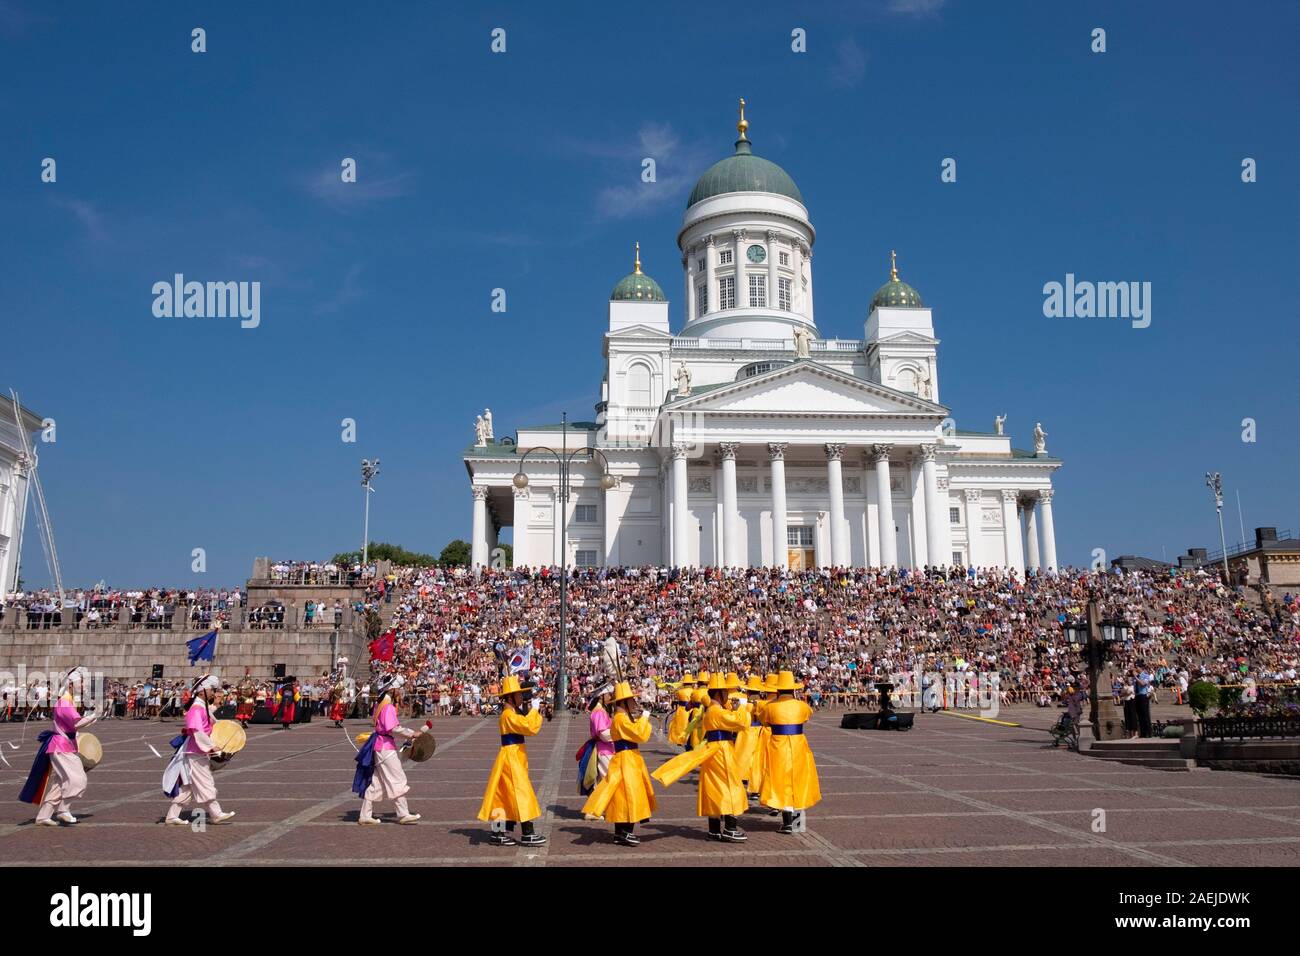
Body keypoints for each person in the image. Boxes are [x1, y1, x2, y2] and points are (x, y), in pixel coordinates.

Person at [652, 672, 751, 843]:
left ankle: (714, 829)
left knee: (714, 788)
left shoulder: (712, 711)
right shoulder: (717, 712)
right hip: (722, 751)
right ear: (719, 694)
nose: (728, 696)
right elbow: (742, 723)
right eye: (725, 693)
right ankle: (730, 828)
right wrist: (740, 708)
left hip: (713, 750)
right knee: (730, 787)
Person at [581, 680, 656, 846]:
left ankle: (619, 832)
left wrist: (638, 719)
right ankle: (626, 832)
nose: (635, 702)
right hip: (627, 759)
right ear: (624, 702)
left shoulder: (620, 717)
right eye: (632, 699)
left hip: (625, 757)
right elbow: (639, 735)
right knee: (630, 794)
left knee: (620, 795)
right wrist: (644, 719)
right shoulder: (621, 718)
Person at [20, 667, 98, 827]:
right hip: (61, 746)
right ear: (70, 684)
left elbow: (71, 725)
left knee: (61, 783)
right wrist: (91, 717)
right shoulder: (64, 701)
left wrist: (88, 719)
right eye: (81, 682)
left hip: (63, 745)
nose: (83, 686)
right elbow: (76, 723)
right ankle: (63, 810)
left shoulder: (67, 701)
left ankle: (43, 816)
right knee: (78, 779)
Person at [478, 675, 545, 847]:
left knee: (503, 797)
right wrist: (535, 710)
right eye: (519, 695)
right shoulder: (508, 715)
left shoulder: (511, 713)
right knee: (523, 794)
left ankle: (498, 832)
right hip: (511, 758)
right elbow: (529, 727)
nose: (522, 698)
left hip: (513, 757)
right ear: (510, 697)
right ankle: (527, 833)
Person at [163, 675, 235, 826]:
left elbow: (213, 724)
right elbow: (197, 731)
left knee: (188, 787)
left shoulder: (201, 707)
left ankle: (171, 816)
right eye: (211, 689)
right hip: (195, 751)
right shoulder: (197, 708)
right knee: (205, 781)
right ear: (202, 691)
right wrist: (212, 747)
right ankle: (216, 814)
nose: (213, 693)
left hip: (196, 751)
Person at [353, 674, 421, 825]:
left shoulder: (380, 704)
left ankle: (365, 815)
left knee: (377, 783)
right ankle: (403, 814)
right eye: (398, 689)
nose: (400, 691)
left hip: (379, 745)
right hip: (385, 747)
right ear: (392, 690)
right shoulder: (388, 706)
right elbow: (394, 728)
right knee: (397, 778)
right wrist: (412, 734)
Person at [760, 670, 822, 834]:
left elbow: (763, 720)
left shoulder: (770, 706)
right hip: (798, 745)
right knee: (799, 780)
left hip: (778, 747)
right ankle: (798, 823)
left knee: (781, 781)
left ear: (778, 690)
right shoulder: (801, 706)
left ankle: (788, 822)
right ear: (793, 690)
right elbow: (807, 716)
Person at [666, 673, 695, 747]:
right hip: (692, 709)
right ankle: (689, 740)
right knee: (690, 725)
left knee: (680, 726)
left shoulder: (680, 691)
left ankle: (680, 740)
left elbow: (678, 698)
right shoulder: (694, 691)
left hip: (682, 710)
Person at [1134, 662, 1154, 738]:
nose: (1136, 669)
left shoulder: (1146, 675)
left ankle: (1149, 732)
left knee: (1145, 715)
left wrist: (1136, 678)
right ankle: (1143, 733)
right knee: (1139, 715)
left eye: (1137, 667)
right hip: (1137, 696)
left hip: (1143, 696)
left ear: (1141, 668)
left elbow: (1142, 684)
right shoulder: (1136, 676)